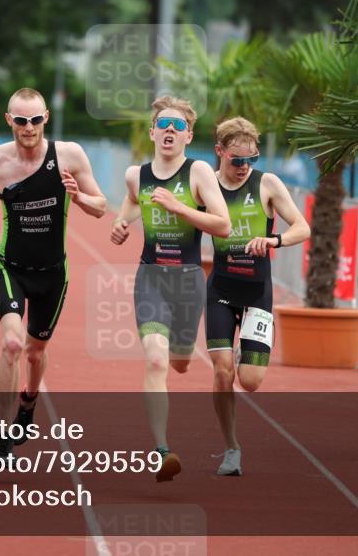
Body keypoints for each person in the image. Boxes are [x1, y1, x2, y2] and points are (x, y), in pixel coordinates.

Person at [0, 87, 106, 461]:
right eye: (20, 120)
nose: (28, 127)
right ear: (8, 120)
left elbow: (101, 206)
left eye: (35, 120)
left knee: (35, 351)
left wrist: (78, 197)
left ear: (45, 118)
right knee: (12, 344)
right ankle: (4, 433)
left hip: (52, 274)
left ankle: (29, 400)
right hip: (10, 267)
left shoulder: (70, 155)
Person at [110, 95, 231, 482]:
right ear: (152, 132)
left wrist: (180, 209)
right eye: (163, 124)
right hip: (151, 278)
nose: (169, 131)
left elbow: (223, 225)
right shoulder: (136, 175)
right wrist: (121, 222)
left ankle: (180, 358)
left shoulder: (198, 174)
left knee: (179, 362)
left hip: (189, 280)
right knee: (156, 360)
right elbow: (133, 202)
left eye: (178, 126)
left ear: (188, 135)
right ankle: (162, 451)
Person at [206, 117, 309, 476]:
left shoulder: (266, 183)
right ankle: (231, 448)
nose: (243, 167)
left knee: (249, 381)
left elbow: (302, 227)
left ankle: (244, 350)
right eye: (236, 160)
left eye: (250, 159)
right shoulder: (206, 184)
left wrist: (273, 240)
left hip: (257, 294)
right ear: (220, 152)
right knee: (222, 372)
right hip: (220, 289)